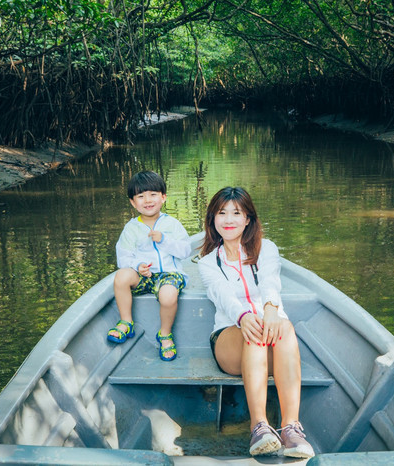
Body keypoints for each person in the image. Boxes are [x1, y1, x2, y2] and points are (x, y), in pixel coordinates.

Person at [197, 187, 315, 458]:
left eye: (236, 213)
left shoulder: (266, 248)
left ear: (248, 218)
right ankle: (259, 427)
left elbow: (271, 280)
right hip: (231, 340)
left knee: (284, 326)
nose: (228, 219)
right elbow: (222, 295)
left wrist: (271, 309)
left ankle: (290, 428)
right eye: (221, 213)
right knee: (253, 332)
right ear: (212, 219)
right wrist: (243, 315)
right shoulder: (207, 263)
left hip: (272, 339)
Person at [108, 171, 191, 361]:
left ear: (163, 197)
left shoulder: (173, 224)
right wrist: (138, 266)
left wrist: (164, 240)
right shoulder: (131, 228)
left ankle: (164, 334)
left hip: (170, 274)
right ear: (132, 202)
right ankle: (126, 322)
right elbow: (123, 257)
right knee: (121, 276)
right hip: (144, 276)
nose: (147, 200)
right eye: (140, 196)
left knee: (168, 295)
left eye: (153, 194)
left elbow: (185, 251)